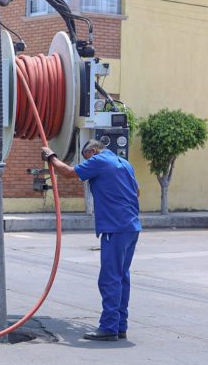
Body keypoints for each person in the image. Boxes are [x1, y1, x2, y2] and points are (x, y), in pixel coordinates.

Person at [42, 140, 141, 341]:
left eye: (85, 157)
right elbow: (137, 191)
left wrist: (51, 157)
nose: (86, 162)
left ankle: (109, 327)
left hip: (115, 227)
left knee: (109, 278)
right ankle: (120, 325)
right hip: (131, 227)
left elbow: (69, 173)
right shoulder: (124, 163)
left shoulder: (99, 160)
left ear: (93, 151)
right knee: (122, 277)